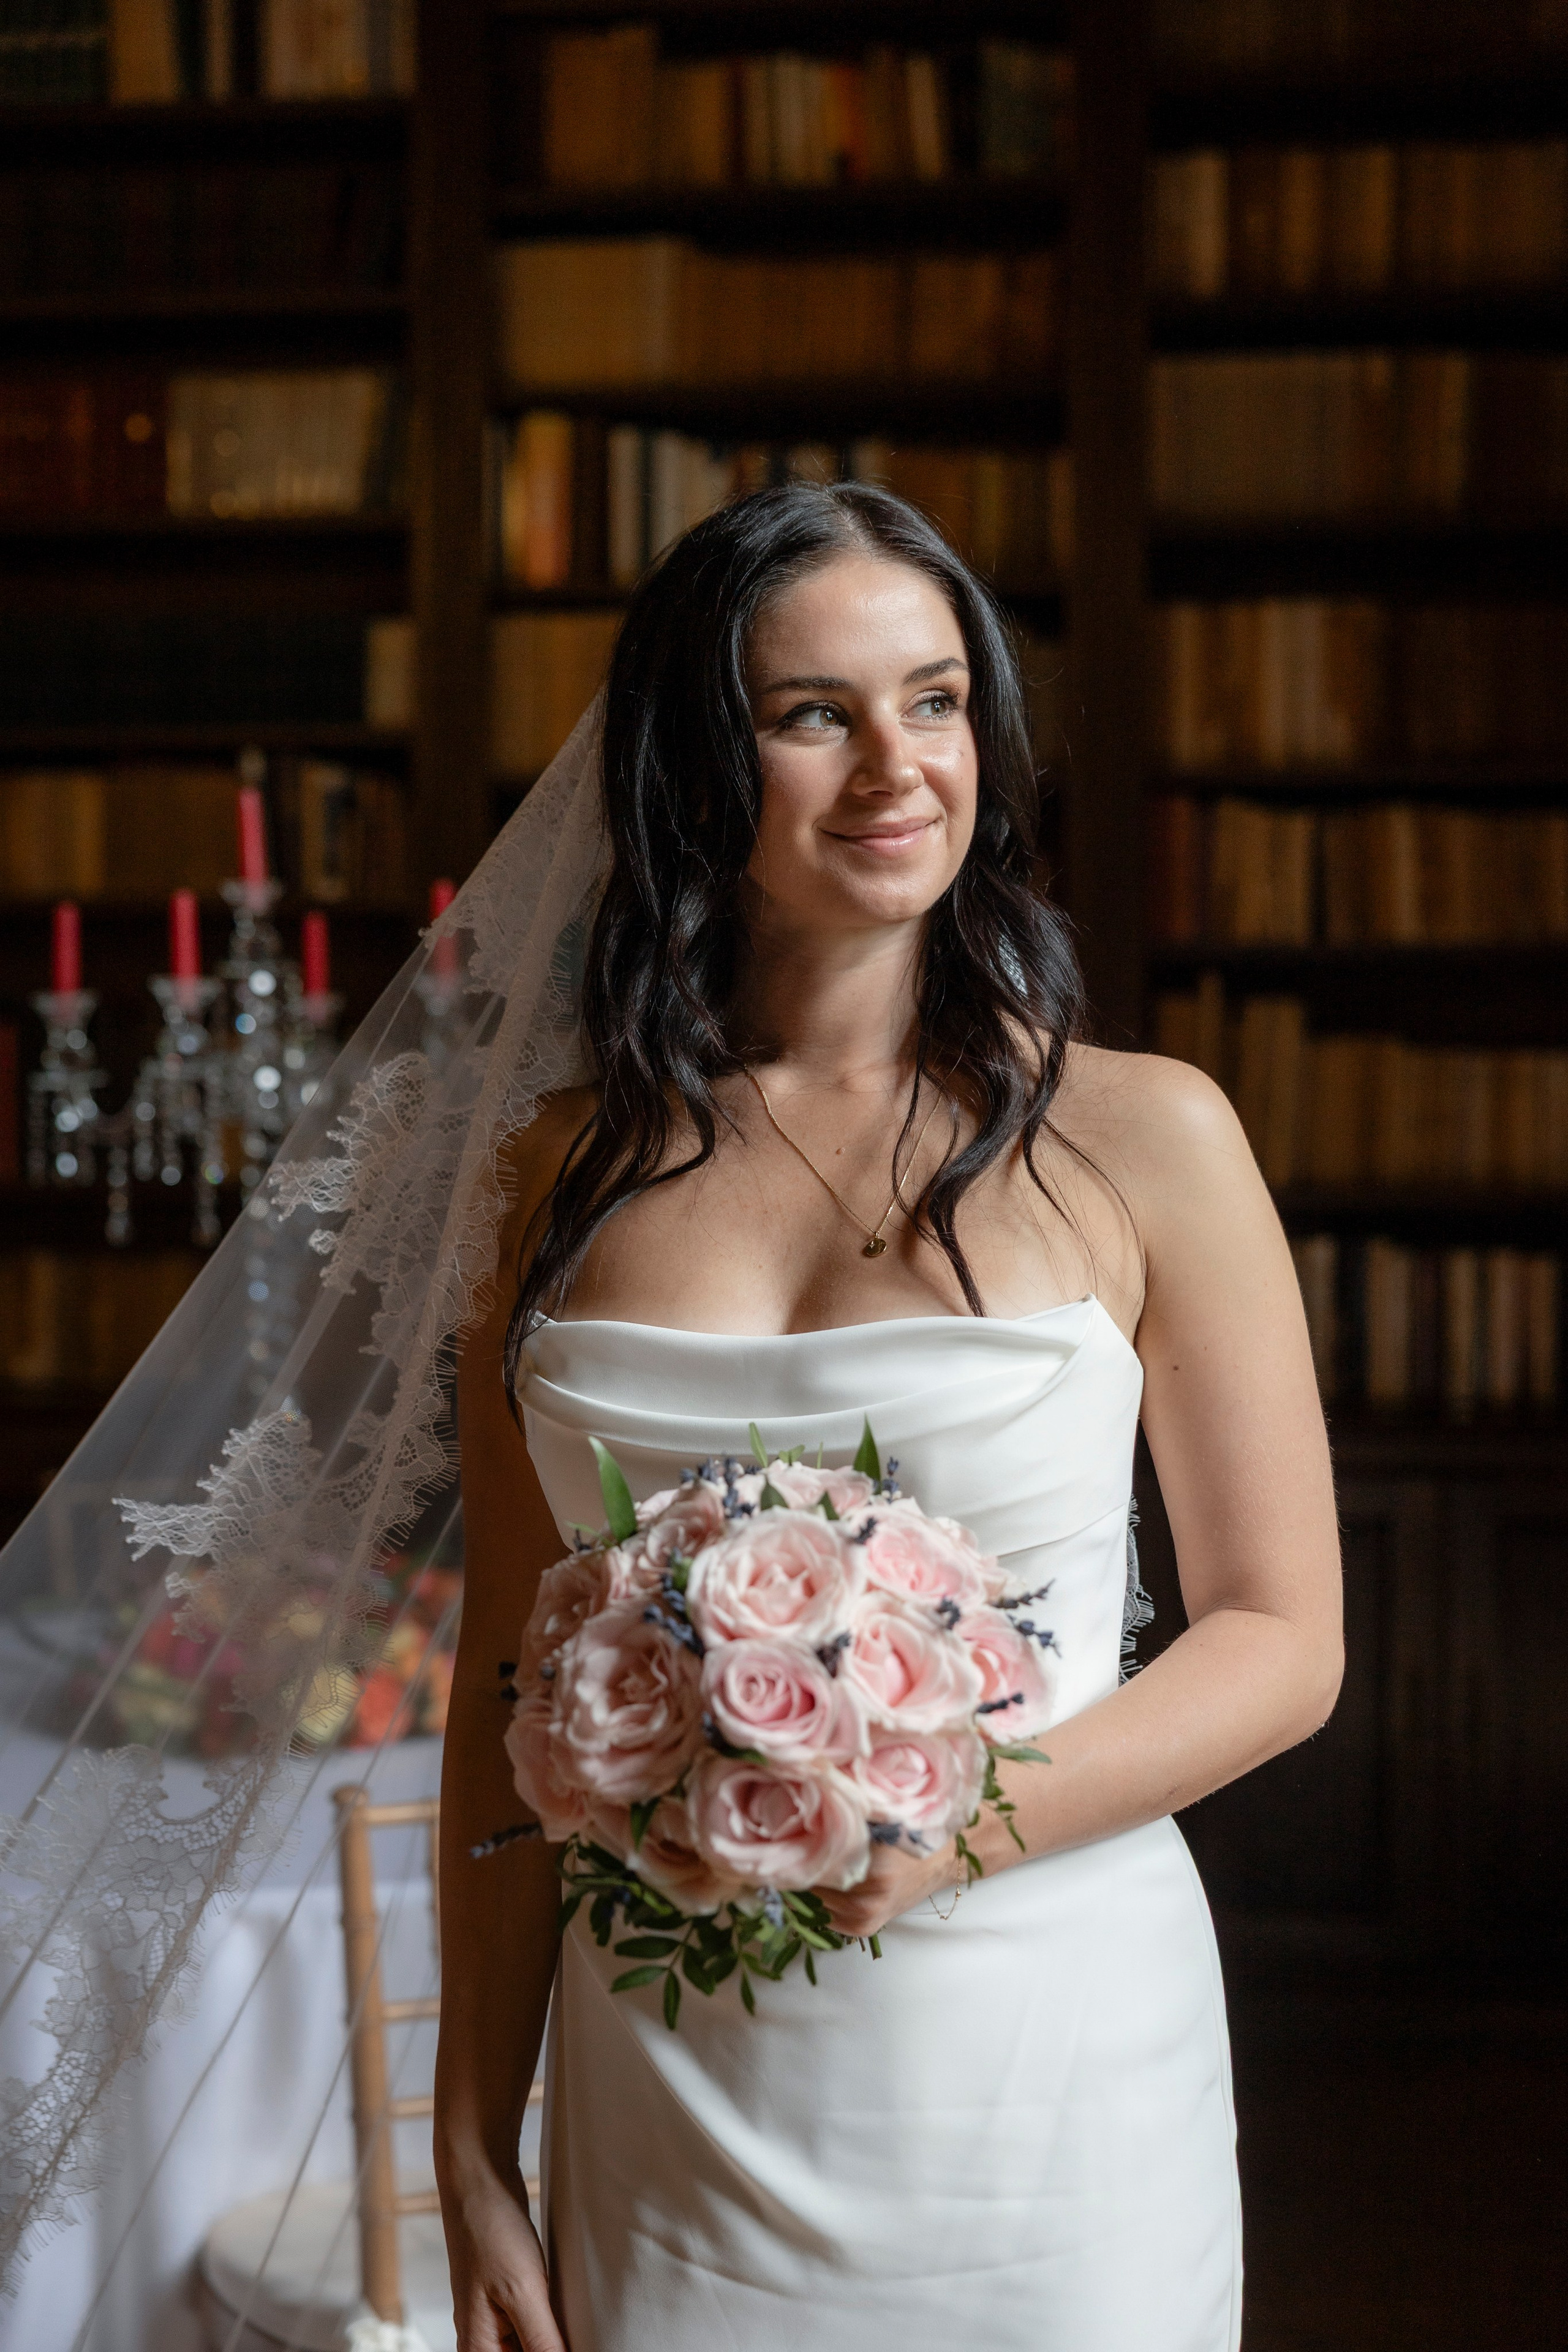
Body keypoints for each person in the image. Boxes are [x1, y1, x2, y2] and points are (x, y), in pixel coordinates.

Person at [433, 483, 1343, 2352]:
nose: (894, 771)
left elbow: (1283, 1638)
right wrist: (468, 2135)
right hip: (671, 2074)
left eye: (934, 702)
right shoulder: (548, 1182)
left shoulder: (1148, 1136)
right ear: (700, 759)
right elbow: (508, 1696)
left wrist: (953, 1826)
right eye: (813, 714)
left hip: (1044, 2062)